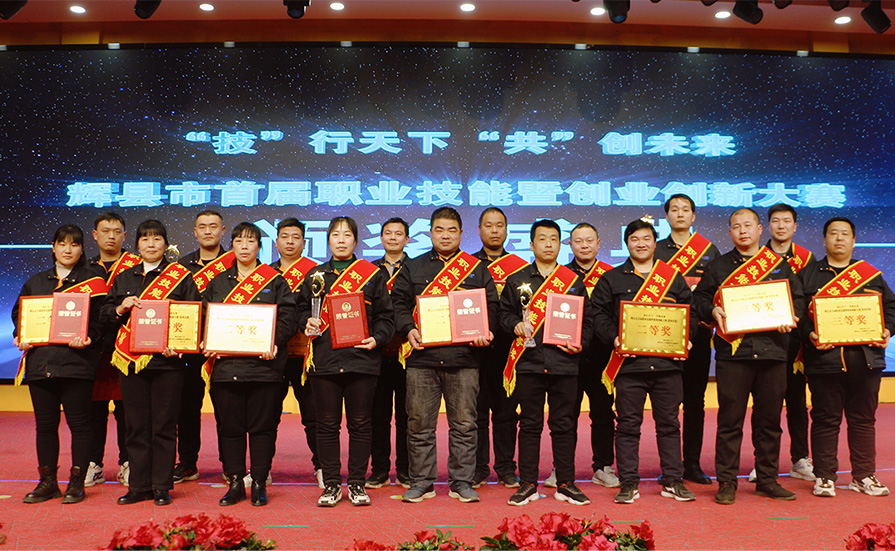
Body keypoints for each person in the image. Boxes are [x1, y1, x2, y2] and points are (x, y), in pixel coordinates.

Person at [693, 208, 805, 505]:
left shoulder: (779, 265)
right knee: (730, 421)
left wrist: (791, 317)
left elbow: (798, 300)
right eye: (736, 226)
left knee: (769, 421)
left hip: (772, 353)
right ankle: (727, 482)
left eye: (748, 225)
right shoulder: (718, 266)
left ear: (759, 229)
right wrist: (712, 310)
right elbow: (699, 298)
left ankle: (767, 480)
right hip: (734, 354)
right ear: (730, 232)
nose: (743, 231)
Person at [391, 207, 498, 504]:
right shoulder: (413, 267)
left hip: (464, 359)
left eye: (452, 230)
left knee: (464, 425)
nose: (445, 236)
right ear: (430, 233)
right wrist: (408, 328)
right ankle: (421, 482)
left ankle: (461, 481)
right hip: (422, 359)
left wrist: (485, 331)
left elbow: (491, 306)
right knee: (419, 425)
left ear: (461, 233)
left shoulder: (476, 268)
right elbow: (398, 303)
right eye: (439, 230)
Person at [592, 218, 696, 504]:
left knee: (669, 425)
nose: (641, 244)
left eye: (646, 238)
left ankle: (673, 481)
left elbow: (690, 313)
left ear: (654, 242)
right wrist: (614, 338)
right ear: (627, 243)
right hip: (629, 366)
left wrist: (687, 337)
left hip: (667, 366)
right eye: (634, 239)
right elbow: (597, 314)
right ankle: (628, 482)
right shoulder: (612, 279)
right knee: (627, 425)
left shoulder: (672, 277)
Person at [104, 220, 202, 506]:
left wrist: (180, 346)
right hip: (131, 363)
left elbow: (194, 316)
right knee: (136, 426)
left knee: (164, 426)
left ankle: (161, 485)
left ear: (165, 244)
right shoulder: (124, 278)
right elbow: (105, 315)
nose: (151, 244)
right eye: (145, 239)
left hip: (167, 365)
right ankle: (138, 486)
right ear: (137, 245)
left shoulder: (180, 277)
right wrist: (120, 307)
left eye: (156, 239)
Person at [298, 217, 395, 507]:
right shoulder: (315, 276)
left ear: (356, 240)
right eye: (335, 235)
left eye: (347, 235)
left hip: (362, 360)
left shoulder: (372, 275)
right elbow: (299, 310)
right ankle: (330, 485)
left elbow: (386, 317)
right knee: (327, 425)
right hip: (325, 361)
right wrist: (307, 321)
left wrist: (377, 338)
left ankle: (356, 484)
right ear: (328, 240)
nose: (341, 240)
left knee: (361, 424)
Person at [203, 222, 297, 507]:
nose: (244, 246)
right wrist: (207, 340)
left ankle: (258, 482)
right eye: (239, 241)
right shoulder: (218, 282)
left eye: (251, 241)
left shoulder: (275, 281)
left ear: (259, 246)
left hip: (264, 369)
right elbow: (204, 317)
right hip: (226, 369)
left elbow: (288, 319)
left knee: (262, 428)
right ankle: (234, 483)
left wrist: (273, 342)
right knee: (229, 429)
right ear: (231, 245)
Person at [798, 217, 893, 498]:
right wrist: (809, 334)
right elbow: (796, 315)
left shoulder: (870, 275)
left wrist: (887, 329)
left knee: (863, 420)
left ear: (853, 241)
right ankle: (825, 476)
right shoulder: (807, 275)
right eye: (833, 234)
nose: (839, 238)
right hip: (824, 362)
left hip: (866, 361)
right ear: (824, 240)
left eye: (845, 234)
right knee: (825, 419)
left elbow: (892, 308)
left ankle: (863, 476)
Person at [500, 219, 592, 506]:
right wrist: (514, 324)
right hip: (529, 363)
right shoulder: (517, 280)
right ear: (531, 244)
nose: (548, 244)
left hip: (564, 363)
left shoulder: (572, 282)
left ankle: (566, 483)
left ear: (560, 244)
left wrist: (580, 343)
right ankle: (528, 483)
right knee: (529, 424)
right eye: (542, 239)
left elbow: (587, 322)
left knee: (564, 424)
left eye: (554, 238)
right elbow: (502, 315)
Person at [13, 225, 106, 504]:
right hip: (41, 365)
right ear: (53, 247)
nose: (68, 249)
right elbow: (20, 315)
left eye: (74, 244)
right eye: (62, 244)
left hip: (77, 365)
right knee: (45, 426)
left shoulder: (94, 281)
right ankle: (48, 482)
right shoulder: (36, 282)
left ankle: (77, 482)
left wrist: (90, 337)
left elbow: (102, 320)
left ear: (82, 249)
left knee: (80, 425)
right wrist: (21, 334)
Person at [653, 194, 720, 485]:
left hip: (699, 337)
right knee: (667, 405)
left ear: (693, 216)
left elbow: (718, 291)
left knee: (695, 402)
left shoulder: (709, 251)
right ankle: (670, 466)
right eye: (674, 209)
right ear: (666, 216)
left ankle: (692, 464)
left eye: (685, 210)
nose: (680, 214)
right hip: (664, 337)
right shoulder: (656, 250)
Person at [746, 203, 815, 483]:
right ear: (767, 226)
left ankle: (800, 459)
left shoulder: (807, 259)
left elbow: (809, 300)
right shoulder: (756, 257)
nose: (781, 226)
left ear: (795, 226)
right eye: (776, 221)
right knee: (764, 405)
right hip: (764, 342)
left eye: (787, 221)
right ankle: (762, 462)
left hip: (796, 344)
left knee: (797, 403)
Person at [174, 209, 232, 484]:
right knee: (186, 409)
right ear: (195, 232)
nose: (208, 231)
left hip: (223, 347)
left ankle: (230, 465)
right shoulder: (181, 267)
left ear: (223, 231)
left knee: (227, 410)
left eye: (213, 226)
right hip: (189, 347)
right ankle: (187, 463)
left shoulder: (236, 263)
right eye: (203, 227)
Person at [561, 222, 619, 490]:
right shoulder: (560, 276)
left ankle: (603, 466)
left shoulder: (612, 275)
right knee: (565, 415)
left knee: (603, 414)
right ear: (570, 244)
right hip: (568, 356)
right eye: (578, 241)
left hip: (603, 357)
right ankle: (561, 468)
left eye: (589, 240)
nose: (584, 245)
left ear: (598, 244)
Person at [85, 212, 139, 489]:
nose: (111, 236)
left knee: (127, 411)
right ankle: (93, 463)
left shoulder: (137, 268)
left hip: (127, 350)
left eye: (117, 231)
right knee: (93, 411)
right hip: (91, 351)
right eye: (105, 231)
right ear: (95, 235)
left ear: (124, 236)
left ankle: (127, 462)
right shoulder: (84, 269)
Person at [271, 217, 323, 490]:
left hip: (307, 356)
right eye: (285, 236)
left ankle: (323, 468)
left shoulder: (317, 274)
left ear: (304, 242)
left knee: (314, 417)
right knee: (267, 416)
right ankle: (261, 469)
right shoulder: (264, 274)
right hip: (272, 354)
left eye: (295, 237)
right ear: (276, 241)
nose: (290, 242)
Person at [472, 207, 522, 489]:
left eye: (499, 225)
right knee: (476, 413)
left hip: (509, 351)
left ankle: (505, 468)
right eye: (488, 225)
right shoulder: (466, 266)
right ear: (479, 230)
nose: (494, 230)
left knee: (506, 413)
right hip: (475, 350)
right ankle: (478, 468)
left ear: (506, 229)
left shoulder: (520, 268)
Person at [367, 217, 412, 489]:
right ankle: (380, 470)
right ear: (381, 238)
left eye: (398, 234)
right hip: (378, 353)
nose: (393, 238)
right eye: (388, 233)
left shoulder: (417, 269)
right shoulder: (368, 271)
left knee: (407, 416)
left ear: (407, 239)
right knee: (378, 416)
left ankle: (405, 470)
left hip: (409, 353)